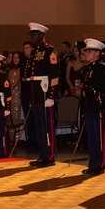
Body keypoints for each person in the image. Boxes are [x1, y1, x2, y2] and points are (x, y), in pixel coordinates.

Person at [27, 23, 61, 167]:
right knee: (39, 126)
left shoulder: (50, 51)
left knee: (47, 126)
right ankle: (42, 154)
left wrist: (51, 96)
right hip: (36, 94)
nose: (31, 38)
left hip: (45, 92)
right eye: (30, 35)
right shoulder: (35, 52)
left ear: (41, 35)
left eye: (34, 35)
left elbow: (54, 75)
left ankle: (49, 155)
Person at [79, 38, 105, 175]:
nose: (86, 53)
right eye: (86, 51)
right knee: (91, 137)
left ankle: (100, 164)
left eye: (90, 51)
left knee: (99, 138)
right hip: (89, 105)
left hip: (99, 106)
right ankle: (92, 163)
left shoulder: (101, 69)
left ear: (97, 53)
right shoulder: (86, 69)